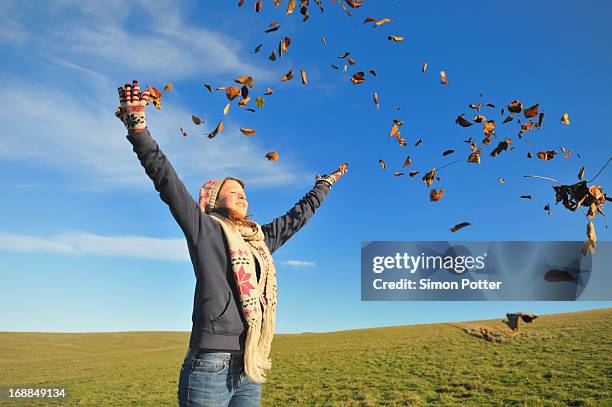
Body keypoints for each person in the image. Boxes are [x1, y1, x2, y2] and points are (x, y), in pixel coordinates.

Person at [115, 80, 347, 406]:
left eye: (244, 192)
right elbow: (166, 180)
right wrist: (139, 131)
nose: (241, 195)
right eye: (232, 190)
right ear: (213, 198)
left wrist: (323, 186)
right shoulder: (205, 229)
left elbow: (296, 218)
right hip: (211, 364)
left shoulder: (258, 240)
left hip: (249, 365)